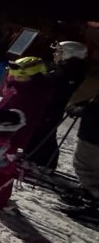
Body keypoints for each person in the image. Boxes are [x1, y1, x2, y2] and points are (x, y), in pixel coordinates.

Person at [0, 57, 53, 208]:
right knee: (2, 165)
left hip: (8, 137)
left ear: (33, 77)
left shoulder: (24, 94)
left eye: (20, 76)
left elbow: (8, 115)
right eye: (13, 75)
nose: (14, 78)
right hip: (12, 136)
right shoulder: (30, 90)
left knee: (0, 167)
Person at [25, 40, 89, 168]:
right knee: (38, 130)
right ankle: (32, 156)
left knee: (44, 133)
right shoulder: (64, 67)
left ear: (69, 54)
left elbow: (53, 83)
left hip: (53, 108)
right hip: (48, 106)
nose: (55, 54)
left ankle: (45, 163)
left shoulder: (71, 71)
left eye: (59, 52)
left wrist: (36, 76)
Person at [62, 97, 99, 212]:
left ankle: (94, 198)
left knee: (85, 167)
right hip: (93, 134)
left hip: (93, 136)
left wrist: (76, 109)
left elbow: (94, 110)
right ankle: (90, 193)